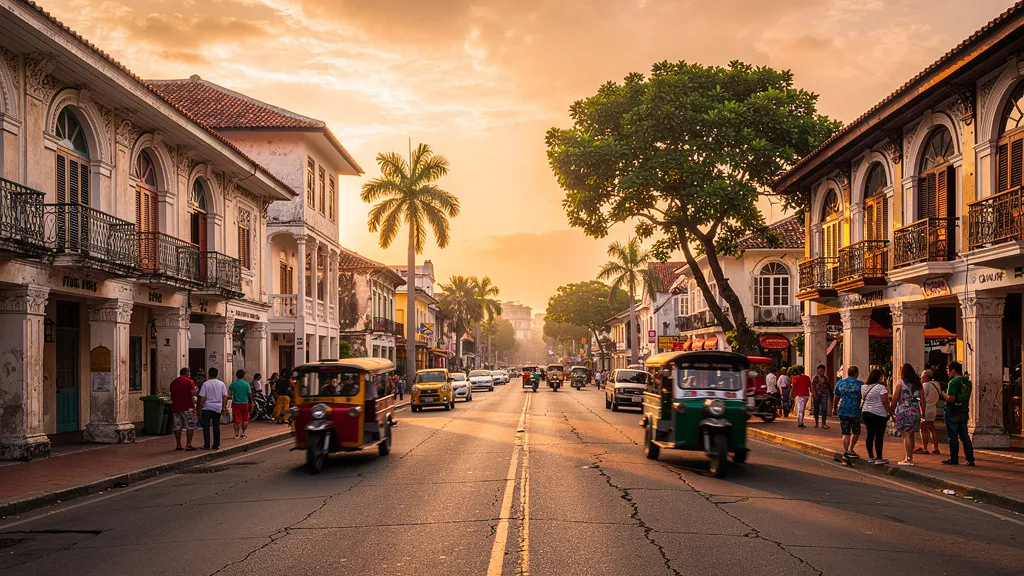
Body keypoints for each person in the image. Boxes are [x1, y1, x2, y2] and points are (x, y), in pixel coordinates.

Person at [941, 361, 975, 466]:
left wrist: (943, 394)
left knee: (953, 436)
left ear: (953, 371)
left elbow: (951, 398)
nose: (947, 372)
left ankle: (954, 459)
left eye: (948, 369)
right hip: (963, 410)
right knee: (965, 436)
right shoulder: (968, 382)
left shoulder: (953, 382)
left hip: (952, 411)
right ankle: (970, 459)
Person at [890, 363, 924, 466]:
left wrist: (891, 411)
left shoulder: (901, 384)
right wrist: (923, 412)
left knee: (906, 435)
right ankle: (910, 456)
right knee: (912, 435)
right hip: (915, 411)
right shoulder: (918, 385)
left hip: (904, 411)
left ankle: (908, 458)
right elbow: (922, 400)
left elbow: (895, 399)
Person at [860, 369, 891, 465]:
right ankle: (879, 458)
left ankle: (871, 456)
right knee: (879, 436)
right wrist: (891, 413)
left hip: (866, 412)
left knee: (870, 434)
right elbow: (885, 402)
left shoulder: (864, 387)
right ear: (878, 377)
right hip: (879, 414)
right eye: (881, 376)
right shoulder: (881, 388)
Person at [832, 366, 864, 459]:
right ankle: (851, 449)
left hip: (843, 410)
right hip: (855, 411)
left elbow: (836, 397)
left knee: (845, 433)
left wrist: (834, 408)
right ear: (857, 373)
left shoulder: (840, 383)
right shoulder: (860, 384)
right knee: (856, 432)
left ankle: (845, 451)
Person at [197, 367, 228, 450]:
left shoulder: (206, 384)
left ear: (208, 374)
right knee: (216, 426)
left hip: (207, 407)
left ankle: (207, 444)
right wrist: (223, 407)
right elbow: (225, 396)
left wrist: (199, 408)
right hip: (217, 407)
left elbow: (202, 397)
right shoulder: (221, 384)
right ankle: (216, 444)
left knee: (206, 426)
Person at [169, 367, 198, 451]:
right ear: (187, 373)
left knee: (177, 426)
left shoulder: (173, 382)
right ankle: (188, 444)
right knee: (190, 425)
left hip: (176, 407)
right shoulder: (189, 381)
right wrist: (196, 389)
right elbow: (193, 393)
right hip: (187, 407)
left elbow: (171, 395)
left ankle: (178, 444)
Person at [919, 369, 942, 455]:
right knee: (932, 427)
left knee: (923, 428)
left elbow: (920, 397)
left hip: (926, 408)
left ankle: (925, 448)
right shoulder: (936, 384)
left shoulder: (925, 385)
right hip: (933, 408)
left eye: (922, 377)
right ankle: (936, 448)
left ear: (925, 377)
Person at [228, 369, 253, 440]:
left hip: (235, 403)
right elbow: (249, 394)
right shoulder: (246, 384)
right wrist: (251, 402)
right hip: (245, 403)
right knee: (245, 419)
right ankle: (243, 433)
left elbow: (229, 395)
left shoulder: (232, 384)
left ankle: (236, 434)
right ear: (243, 375)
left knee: (236, 419)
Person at [811, 364, 831, 429]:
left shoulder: (825, 378)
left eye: (822, 371)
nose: (821, 372)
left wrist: (825, 381)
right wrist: (814, 394)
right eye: (820, 370)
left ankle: (823, 423)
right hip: (816, 395)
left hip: (824, 395)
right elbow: (813, 387)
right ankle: (816, 423)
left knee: (824, 409)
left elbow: (828, 386)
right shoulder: (815, 378)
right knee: (816, 409)